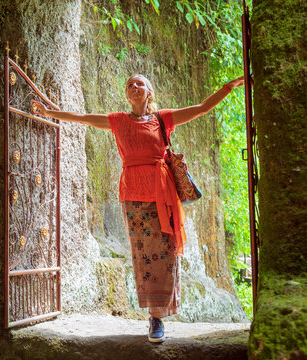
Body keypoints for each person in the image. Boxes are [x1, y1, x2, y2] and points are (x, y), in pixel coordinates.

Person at [32, 74, 245, 343]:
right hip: (132, 195)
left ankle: (159, 316)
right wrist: (49, 111)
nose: (134, 86)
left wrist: (230, 85)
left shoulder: (162, 119)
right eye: (129, 84)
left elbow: (202, 108)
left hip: (162, 193)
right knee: (143, 255)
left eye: (139, 83)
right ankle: (154, 318)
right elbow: (83, 118)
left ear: (149, 92)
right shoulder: (117, 121)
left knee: (165, 253)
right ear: (126, 94)